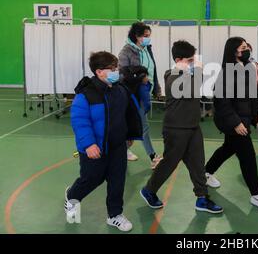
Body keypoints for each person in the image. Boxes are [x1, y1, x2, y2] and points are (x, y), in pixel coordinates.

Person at [140, 40, 223, 214]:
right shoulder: (172, 76)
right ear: (178, 60)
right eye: (189, 60)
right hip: (175, 129)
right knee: (169, 164)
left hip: (192, 127)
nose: (193, 63)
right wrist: (199, 71)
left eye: (194, 60)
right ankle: (149, 190)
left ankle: (201, 198)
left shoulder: (187, 75)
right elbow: (191, 90)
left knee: (198, 164)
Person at [64, 51, 143, 232]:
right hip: (95, 148)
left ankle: (114, 215)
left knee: (117, 181)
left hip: (117, 147)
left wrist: (129, 135)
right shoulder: (86, 94)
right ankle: (71, 196)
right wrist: (89, 144)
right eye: (112, 69)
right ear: (99, 72)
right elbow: (80, 121)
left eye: (116, 68)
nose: (116, 71)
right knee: (91, 179)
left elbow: (126, 115)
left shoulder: (119, 90)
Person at [205, 37, 258, 210]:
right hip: (231, 121)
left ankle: (204, 173)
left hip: (242, 119)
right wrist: (236, 123)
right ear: (234, 51)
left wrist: (257, 113)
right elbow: (222, 102)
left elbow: (252, 97)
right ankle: (257, 195)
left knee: (227, 149)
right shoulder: (227, 73)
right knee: (248, 157)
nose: (247, 50)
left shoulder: (246, 69)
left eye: (247, 47)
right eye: (243, 48)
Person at [118, 22, 162, 168]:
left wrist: (157, 88)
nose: (148, 38)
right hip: (133, 94)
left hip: (146, 91)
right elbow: (123, 74)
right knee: (143, 125)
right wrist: (139, 78)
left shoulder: (147, 49)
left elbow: (152, 70)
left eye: (149, 36)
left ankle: (123, 149)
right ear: (136, 36)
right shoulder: (126, 52)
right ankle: (153, 156)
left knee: (134, 125)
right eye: (145, 36)